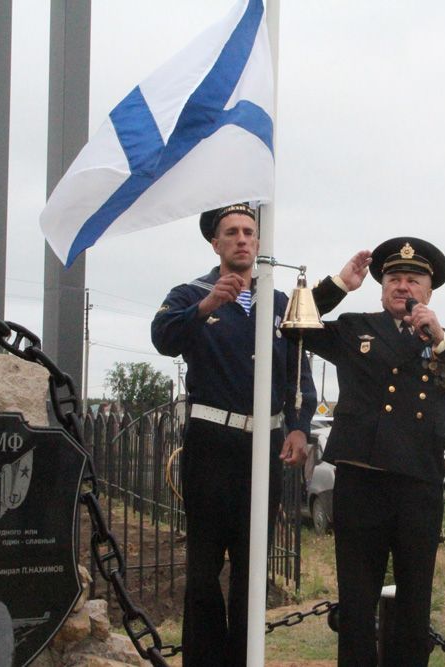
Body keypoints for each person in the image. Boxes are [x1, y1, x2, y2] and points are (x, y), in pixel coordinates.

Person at [150, 203, 369, 667]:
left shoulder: (274, 301)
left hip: (263, 448)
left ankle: (246, 659)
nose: (243, 239)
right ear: (216, 242)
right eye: (232, 232)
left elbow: (298, 367)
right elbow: (163, 337)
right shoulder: (190, 293)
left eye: (250, 231)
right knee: (205, 569)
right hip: (211, 445)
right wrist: (206, 306)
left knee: (253, 568)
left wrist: (298, 427)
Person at [304, 236, 445, 667]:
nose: (402, 287)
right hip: (361, 480)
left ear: (429, 292)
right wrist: (338, 284)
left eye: (413, 280)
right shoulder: (355, 329)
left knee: (414, 602)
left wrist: (442, 340)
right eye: (393, 279)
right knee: (356, 601)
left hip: (418, 486)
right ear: (381, 286)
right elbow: (292, 323)